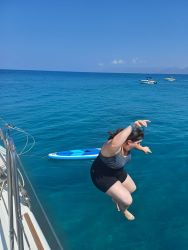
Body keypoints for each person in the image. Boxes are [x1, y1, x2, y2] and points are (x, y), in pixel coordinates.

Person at [90, 120, 152, 220]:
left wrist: (142, 148)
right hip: (102, 176)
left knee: (132, 189)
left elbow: (134, 144)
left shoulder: (127, 144)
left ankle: (115, 198)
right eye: (138, 142)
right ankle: (124, 211)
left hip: (116, 170)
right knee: (128, 201)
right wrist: (132, 126)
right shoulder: (112, 149)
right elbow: (114, 144)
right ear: (128, 142)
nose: (139, 144)